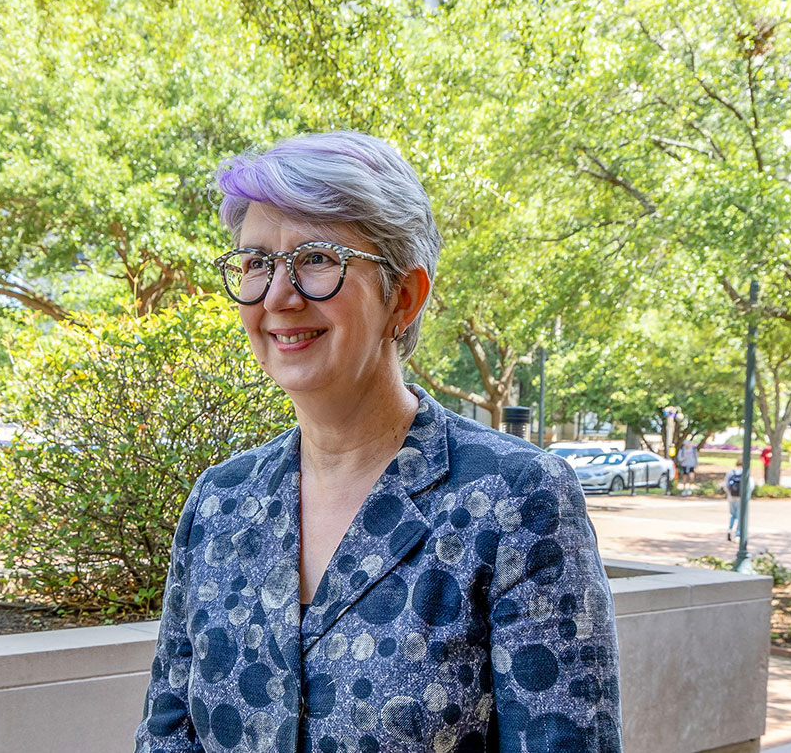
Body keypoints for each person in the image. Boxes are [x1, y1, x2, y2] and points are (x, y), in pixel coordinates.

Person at [134, 132, 622, 752]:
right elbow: (167, 738)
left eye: (316, 258)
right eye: (257, 263)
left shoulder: (515, 498)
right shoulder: (220, 503)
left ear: (404, 296)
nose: (278, 297)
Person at [724, 462, 743, 542]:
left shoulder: (731, 472)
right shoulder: (745, 472)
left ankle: (730, 529)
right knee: (740, 516)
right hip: (741, 498)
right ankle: (737, 534)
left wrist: (729, 494)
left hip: (731, 497)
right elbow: (751, 486)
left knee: (733, 515)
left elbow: (726, 486)